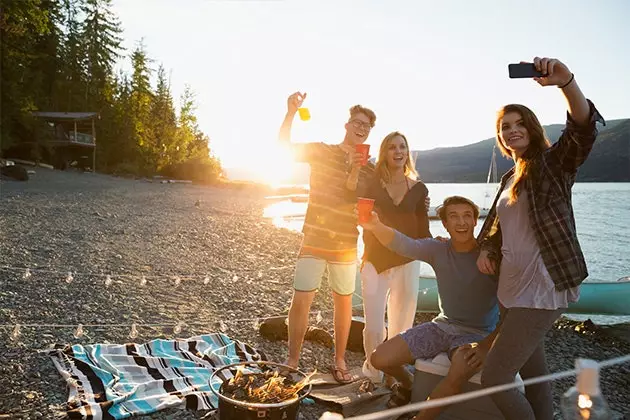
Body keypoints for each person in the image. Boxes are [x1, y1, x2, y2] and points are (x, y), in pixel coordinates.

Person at [476, 57, 605, 420]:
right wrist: (486, 249)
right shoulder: (509, 178)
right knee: (533, 373)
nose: (512, 130)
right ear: (500, 136)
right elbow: (495, 229)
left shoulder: (551, 164)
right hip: (512, 289)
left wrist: (566, 83)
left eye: (519, 124)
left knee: (495, 377)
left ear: (532, 128)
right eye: (505, 126)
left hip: (543, 287)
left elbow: (583, 130)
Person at [359, 196, 500, 420]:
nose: (461, 222)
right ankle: (409, 384)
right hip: (442, 327)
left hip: (477, 334)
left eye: (467, 216)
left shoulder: (490, 257)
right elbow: (405, 244)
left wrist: (487, 345)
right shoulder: (438, 249)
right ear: (444, 224)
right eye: (453, 217)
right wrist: (375, 225)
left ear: (476, 221)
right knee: (379, 358)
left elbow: (510, 307)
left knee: (458, 372)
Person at [278, 91, 377, 383]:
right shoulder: (323, 150)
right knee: (302, 298)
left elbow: (371, 203)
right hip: (315, 236)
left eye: (367, 126)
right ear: (347, 125)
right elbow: (284, 146)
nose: (361, 128)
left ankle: (339, 359)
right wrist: (290, 112)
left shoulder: (370, 168)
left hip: (347, 241)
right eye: (357, 122)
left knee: (343, 302)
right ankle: (292, 359)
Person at [351, 131, 432, 384]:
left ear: (408, 153)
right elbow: (361, 216)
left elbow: (423, 229)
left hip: (407, 261)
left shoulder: (419, 189)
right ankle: (373, 373)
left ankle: (392, 373)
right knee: (374, 326)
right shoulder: (371, 184)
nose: (398, 151)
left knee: (402, 325)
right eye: (392, 147)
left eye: (402, 147)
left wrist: (440, 253)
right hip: (375, 260)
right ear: (384, 152)